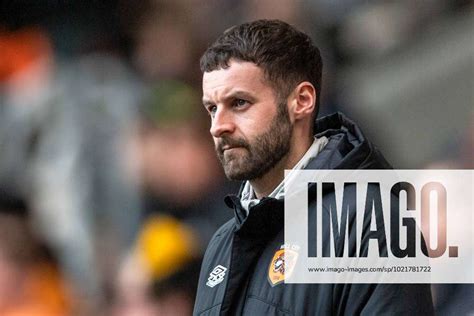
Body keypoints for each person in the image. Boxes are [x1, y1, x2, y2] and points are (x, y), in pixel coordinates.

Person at [193, 19, 434, 315]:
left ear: (302, 101)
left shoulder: (370, 222)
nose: (218, 127)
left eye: (239, 103)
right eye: (212, 109)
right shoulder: (221, 244)